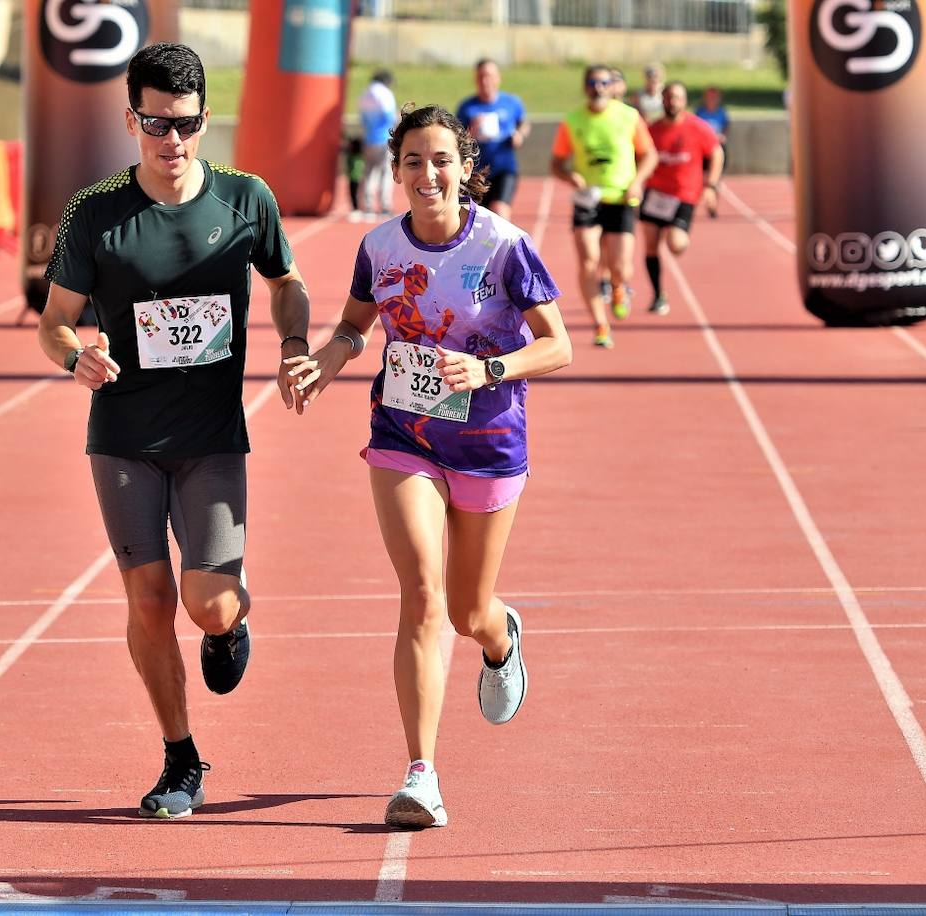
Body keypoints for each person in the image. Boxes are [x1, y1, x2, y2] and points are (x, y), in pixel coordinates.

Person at [37, 42, 312, 821]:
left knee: (211, 605)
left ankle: (230, 630)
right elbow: (55, 322)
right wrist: (76, 357)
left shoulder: (245, 199)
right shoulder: (95, 212)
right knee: (150, 601)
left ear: (204, 120)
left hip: (212, 439)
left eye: (185, 124)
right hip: (122, 440)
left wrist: (294, 345)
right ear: (131, 119)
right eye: (156, 123)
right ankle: (180, 758)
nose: (172, 140)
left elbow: (287, 283)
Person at [285, 104, 572, 828]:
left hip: (489, 441)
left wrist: (488, 369)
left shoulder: (505, 247)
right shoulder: (381, 248)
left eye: (440, 159)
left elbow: (557, 344)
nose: (427, 173)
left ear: (466, 168)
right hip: (403, 434)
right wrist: (327, 358)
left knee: (467, 610)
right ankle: (422, 775)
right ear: (396, 169)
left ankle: (501, 635)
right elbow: (356, 324)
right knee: (421, 592)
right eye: (413, 160)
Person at [549, 63, 657, 349]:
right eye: (593, 82)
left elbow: (649, 156)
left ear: (612, 86)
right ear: (585, 87)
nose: (598, 88)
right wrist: (569, 174)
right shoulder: (572, 120)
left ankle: (620, 286)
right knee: (588, 261)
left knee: (621, 266)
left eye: (604, 82)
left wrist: (638, 181)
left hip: (621, 198)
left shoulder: (629, 117)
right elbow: (556, 163)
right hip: (588, 199)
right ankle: (600, 324)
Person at [641, 82, 724, 315]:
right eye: (668, 97)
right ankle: (658, 295)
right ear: (662, 100)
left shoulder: (698, 127)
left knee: (676, 245)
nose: (672, 102)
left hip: (684, 194)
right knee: (650, 244)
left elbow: (716, 153)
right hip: (656, 193)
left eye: (677, 97)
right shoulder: (652, 130)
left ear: (684, 101)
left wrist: (711, 185)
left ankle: (675, 229)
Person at [455, 58, 531, 221]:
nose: (485, 81)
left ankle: (504, 246)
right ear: (476, 79)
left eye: (489, 76)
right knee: (474, 219)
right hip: (476, 172)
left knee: (500, 211)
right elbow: (456, 139)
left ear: (498, 78)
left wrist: (519, 135)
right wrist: (471, 133)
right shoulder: (467, 107)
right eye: (481, 76)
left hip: (504, 169)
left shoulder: (512, 102)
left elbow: (524, 123)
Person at [358, 69, 399, 219]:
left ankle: (368, 205)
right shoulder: (385, 94)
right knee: (385, 172)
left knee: (369, 172)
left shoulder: (365, 93)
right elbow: (390, 117)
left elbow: (362, 118)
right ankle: (384, 205)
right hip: (383, 138)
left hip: (369, 137)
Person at [694, 86, 730, 216]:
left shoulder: (721, 112)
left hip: (718, 147)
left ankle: (713, 204)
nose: (712, 100)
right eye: (710, 97)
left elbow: (727, 125)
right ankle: (705, 199)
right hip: (703, 148)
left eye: (714, 98)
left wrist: (723, 136)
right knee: (703, 176)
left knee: (716, 176)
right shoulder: (700, 112)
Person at [346, 136, 366, 221]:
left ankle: (357, 209)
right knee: (355, 194)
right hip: (356, 178)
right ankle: (356, 208)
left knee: (355, 194)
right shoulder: (356, 156)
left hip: (356, 178)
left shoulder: (356, 156)